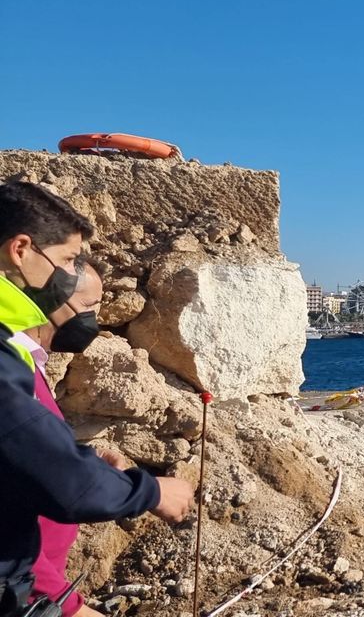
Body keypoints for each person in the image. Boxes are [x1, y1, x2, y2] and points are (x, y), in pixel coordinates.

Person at [0, 182, 194, 616]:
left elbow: (27, 453)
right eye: (67, 260)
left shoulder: (15, 353)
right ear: (21, 249)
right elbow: (59, 479)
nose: (69, 276)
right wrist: (151, 491)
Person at [11, 261, 116, 617]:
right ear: (52, 298)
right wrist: (66, 606)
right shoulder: (13, 376)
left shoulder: (30, 364)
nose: (94, 321)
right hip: (28, 593)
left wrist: (81, 462)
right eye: (88, 307)